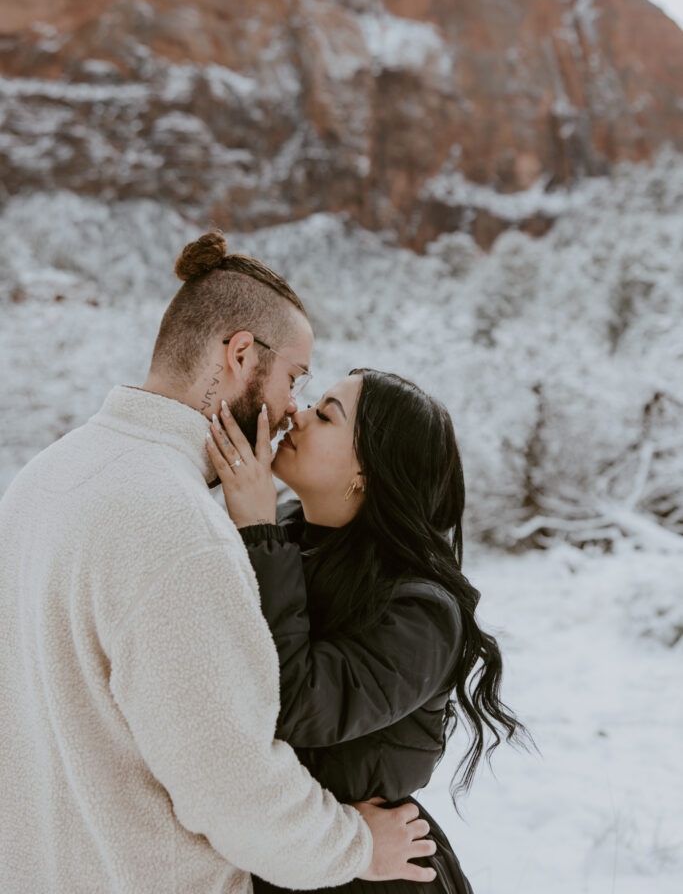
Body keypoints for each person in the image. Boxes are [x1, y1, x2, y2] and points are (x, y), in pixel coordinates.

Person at [0, 232, 438, 893]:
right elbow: (232, 787)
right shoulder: (179, 528)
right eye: (295, 379)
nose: (292, 408)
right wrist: (354, 846)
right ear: (239, 354)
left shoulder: (43, 475)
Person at [207, 368, 530, 894]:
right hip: (284, 856)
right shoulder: (290, 541)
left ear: (366, 473)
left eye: (326, 414)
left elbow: (288, 704)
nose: (298, 413)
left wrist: (257, 532)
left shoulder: (422, 612)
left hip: (375, 874)